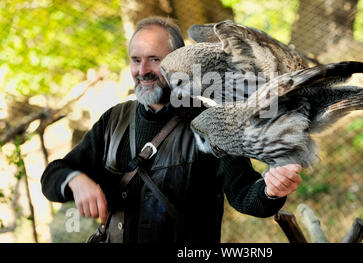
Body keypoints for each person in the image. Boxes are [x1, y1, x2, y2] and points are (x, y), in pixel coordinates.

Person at [40, 16, 302, 243]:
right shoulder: (114, 120)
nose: (143, 71)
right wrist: (74, 179)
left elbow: (245, 194)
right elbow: (52, 177)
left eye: (155, 60)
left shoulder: (213, 121)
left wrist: (270, 189)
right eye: (136, 60)